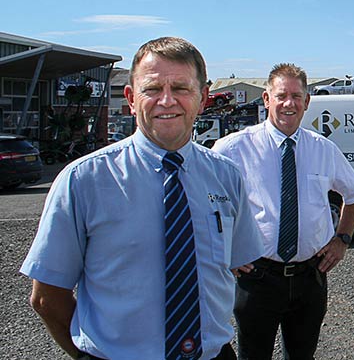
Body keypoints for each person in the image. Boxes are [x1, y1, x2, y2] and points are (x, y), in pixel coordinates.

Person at [20, 37, 265, 360]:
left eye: (181, 88)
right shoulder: (83, 181)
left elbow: (234, 266)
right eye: (152, 89)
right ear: (131, 98)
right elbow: (46, 297)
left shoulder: (226, 176)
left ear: (203, 98)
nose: (167, 101)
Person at [213, 63, 354, 360]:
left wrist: (342, 240)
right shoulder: (234, 148)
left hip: (310, 277)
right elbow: (203, 198)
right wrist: (224, 248)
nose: (289, 103)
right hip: (257, 278)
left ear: (307, 102)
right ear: (267, 99)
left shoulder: (323, 149)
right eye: (281, 95)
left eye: (297, 96)